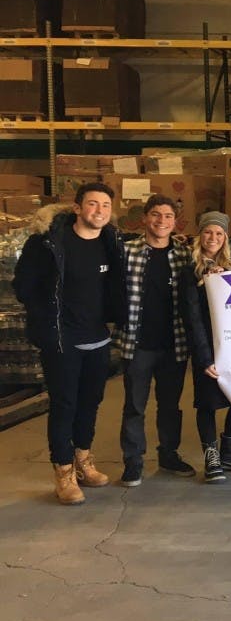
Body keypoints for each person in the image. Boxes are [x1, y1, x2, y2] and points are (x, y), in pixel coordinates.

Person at [13, 184, 124, 505]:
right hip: (61, 339)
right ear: (77, 208)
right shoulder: (47, 243)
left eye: (105, 205)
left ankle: (83, 461)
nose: (99, 210)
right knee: (64, 405)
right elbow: (24, 286)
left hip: (97, 337)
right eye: (92, 204)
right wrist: (47, 319)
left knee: (90, 402)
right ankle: (63, 472)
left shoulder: (110, 242)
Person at [116, 194, 193, 487]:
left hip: (174, 342)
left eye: (168, 216)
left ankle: (169, 454)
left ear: (175, 222)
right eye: (156, 215)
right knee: (135, 405)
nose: (162, 221)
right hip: (137, 343)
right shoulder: (127, 251)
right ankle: (133, 461)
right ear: (145, 218)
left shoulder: (183, 254)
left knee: (170, 405)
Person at [180, 212, 231, 484]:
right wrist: (203, 358)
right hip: (208, 347)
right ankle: (210, 454)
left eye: (218, 233)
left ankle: (230, 446)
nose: (213, 238)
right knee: (207, 402)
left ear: (225, 237)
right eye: (208, 232)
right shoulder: (189, 270)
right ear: (199, 235)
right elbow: (191, 317)